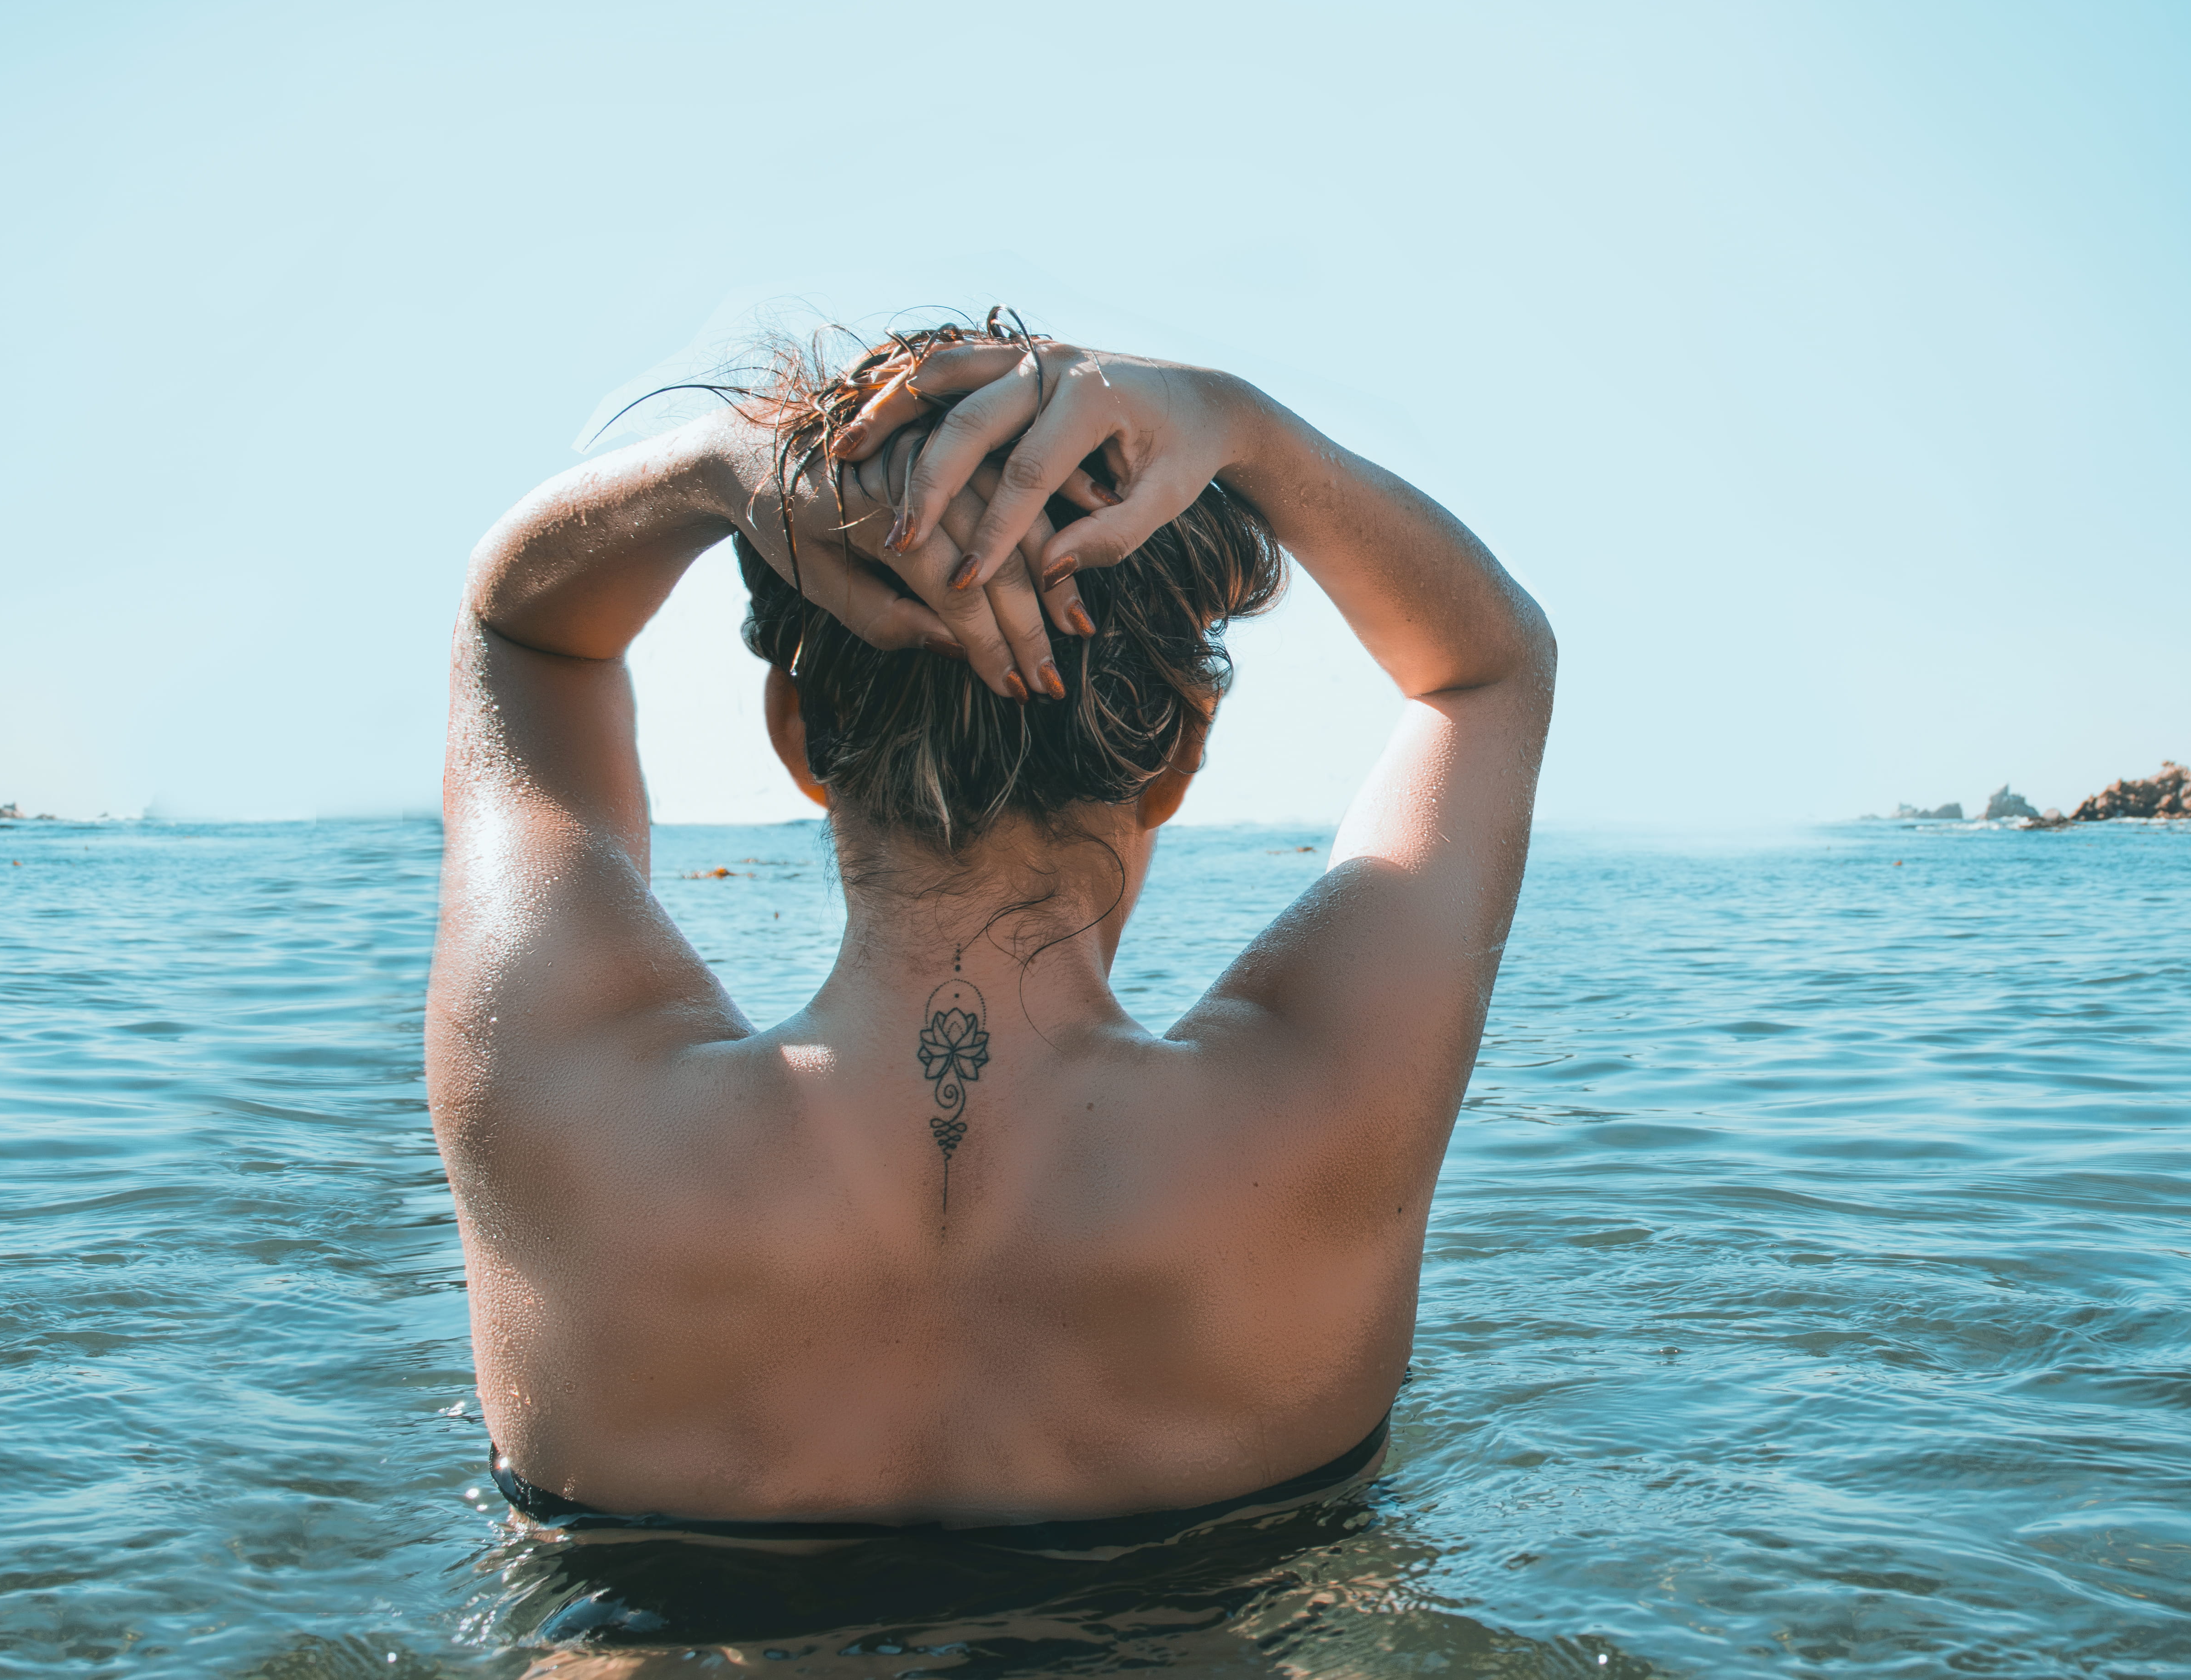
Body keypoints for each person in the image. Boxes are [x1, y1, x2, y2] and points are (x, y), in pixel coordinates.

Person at [429, 322, 1551, 1542]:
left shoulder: (566, 1090)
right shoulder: (1321, 1103)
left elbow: (518, 629)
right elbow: (1487, 669)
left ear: (795, 732)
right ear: (1178, 752)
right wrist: (1244, 426)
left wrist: (714, 465)